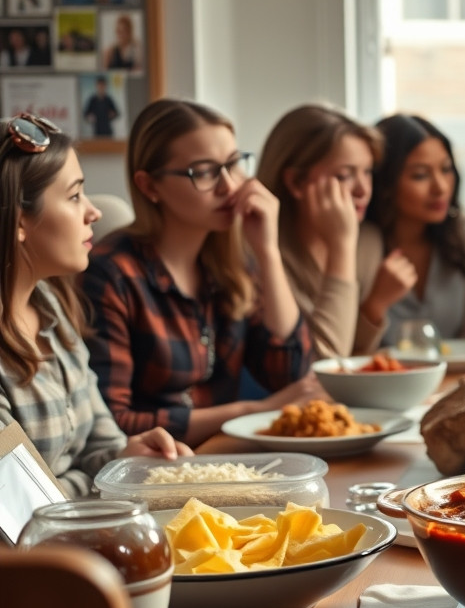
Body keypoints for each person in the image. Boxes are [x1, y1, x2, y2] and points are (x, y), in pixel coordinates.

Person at [83, 99, 319, 446]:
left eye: (235, 164)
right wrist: (251, 411)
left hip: (224, 457)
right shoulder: (111, 274)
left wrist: (268, 253)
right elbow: (116, 424)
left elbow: (290, 376)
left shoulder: (232, 261)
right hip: (158, 471)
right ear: (149, 186)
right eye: (205, 172)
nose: (229, 186)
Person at [0, 115, 188, 497]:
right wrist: (103, 481)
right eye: (74, 196)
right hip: (44, 553)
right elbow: (25, 509)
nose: (94, 212)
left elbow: (101, 442)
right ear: (20, 221)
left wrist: (127, 456)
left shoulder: (49, 304)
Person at [258, 104, 383, 358]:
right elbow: (325, 360)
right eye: (345, 175)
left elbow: (355, 354)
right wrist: (341, 246)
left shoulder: (369, 242)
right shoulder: (261, 250)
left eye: (367, 172)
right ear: (295, 182)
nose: (363, 190)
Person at [359, 114, 465, 347]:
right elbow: (348, 354)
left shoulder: (462, 233)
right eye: (420, 175)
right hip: (385, 382)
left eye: (446, 169)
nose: (440, 187)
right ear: (386, 182)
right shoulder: (362, 245)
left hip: (455, 380)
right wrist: (375, 304)